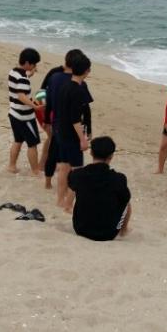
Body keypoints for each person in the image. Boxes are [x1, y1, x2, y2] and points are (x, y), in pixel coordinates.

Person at [42, 49, 93, 189]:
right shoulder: (79, 86)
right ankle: (68, 192)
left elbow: (48, 101)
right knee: (73, 164)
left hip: (57, 123)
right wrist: (87, 132)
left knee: (55, 154)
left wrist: (46, 120)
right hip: (70, 130)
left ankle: (48, 183)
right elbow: (84, 110)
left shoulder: (54, 77)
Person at [69, 136, 132, 241]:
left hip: (80, 228)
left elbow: (71, 184)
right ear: (111, 156)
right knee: (126, 201)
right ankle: (124, 230)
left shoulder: (78, 174)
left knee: (80, 189)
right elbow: (125, 199)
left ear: (91, 153)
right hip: (108, 233)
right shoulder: (118, 178)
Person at [54, 53, 92, 212]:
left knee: (64, 167)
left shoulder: (65, 86)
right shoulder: (78, 90)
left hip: (61, 132)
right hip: (71, 135)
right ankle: (68, 204)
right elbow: (75, 119)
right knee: (77, 171)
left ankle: (60, 200)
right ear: (86, 71)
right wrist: (83, 139)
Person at [7, 48, 43, 175]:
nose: (34, 66)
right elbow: (21, 96)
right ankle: (35, 170)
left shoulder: (13, 72)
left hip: (13, 113)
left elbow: (21, 82)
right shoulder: (23, 78)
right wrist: (35, 106)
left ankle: (11, 166)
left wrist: (30, 74)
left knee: (18, 141)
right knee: (32, 144)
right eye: (33, 64)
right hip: (25, 117)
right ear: (27, 63)